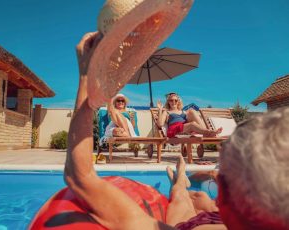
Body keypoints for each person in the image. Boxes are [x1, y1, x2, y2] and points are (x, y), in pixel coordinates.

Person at [64, 32, 289, 230]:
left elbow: (80, 177)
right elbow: (162, 125)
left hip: (189, 147)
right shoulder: (169, 111)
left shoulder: (184, 110)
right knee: (200, 196)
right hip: (175, 131)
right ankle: (183, 173)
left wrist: (86, 75)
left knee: (184, 196)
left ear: (226, 199)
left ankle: (180, 178)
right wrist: (162, 111)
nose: (173, 100)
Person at [157, 93, 223, 137]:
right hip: (174, 129)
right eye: (171, 100)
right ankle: (209, 132)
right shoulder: (167, 112)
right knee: (192, 124)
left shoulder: (183, 111)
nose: (173, 102)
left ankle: (205, 131)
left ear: (178, 102)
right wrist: (160, 109)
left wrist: (191, 113)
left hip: (184, 127)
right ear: (168, 102)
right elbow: (160, 124)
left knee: (192, 111)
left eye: (176, 100)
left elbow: (191, 116)